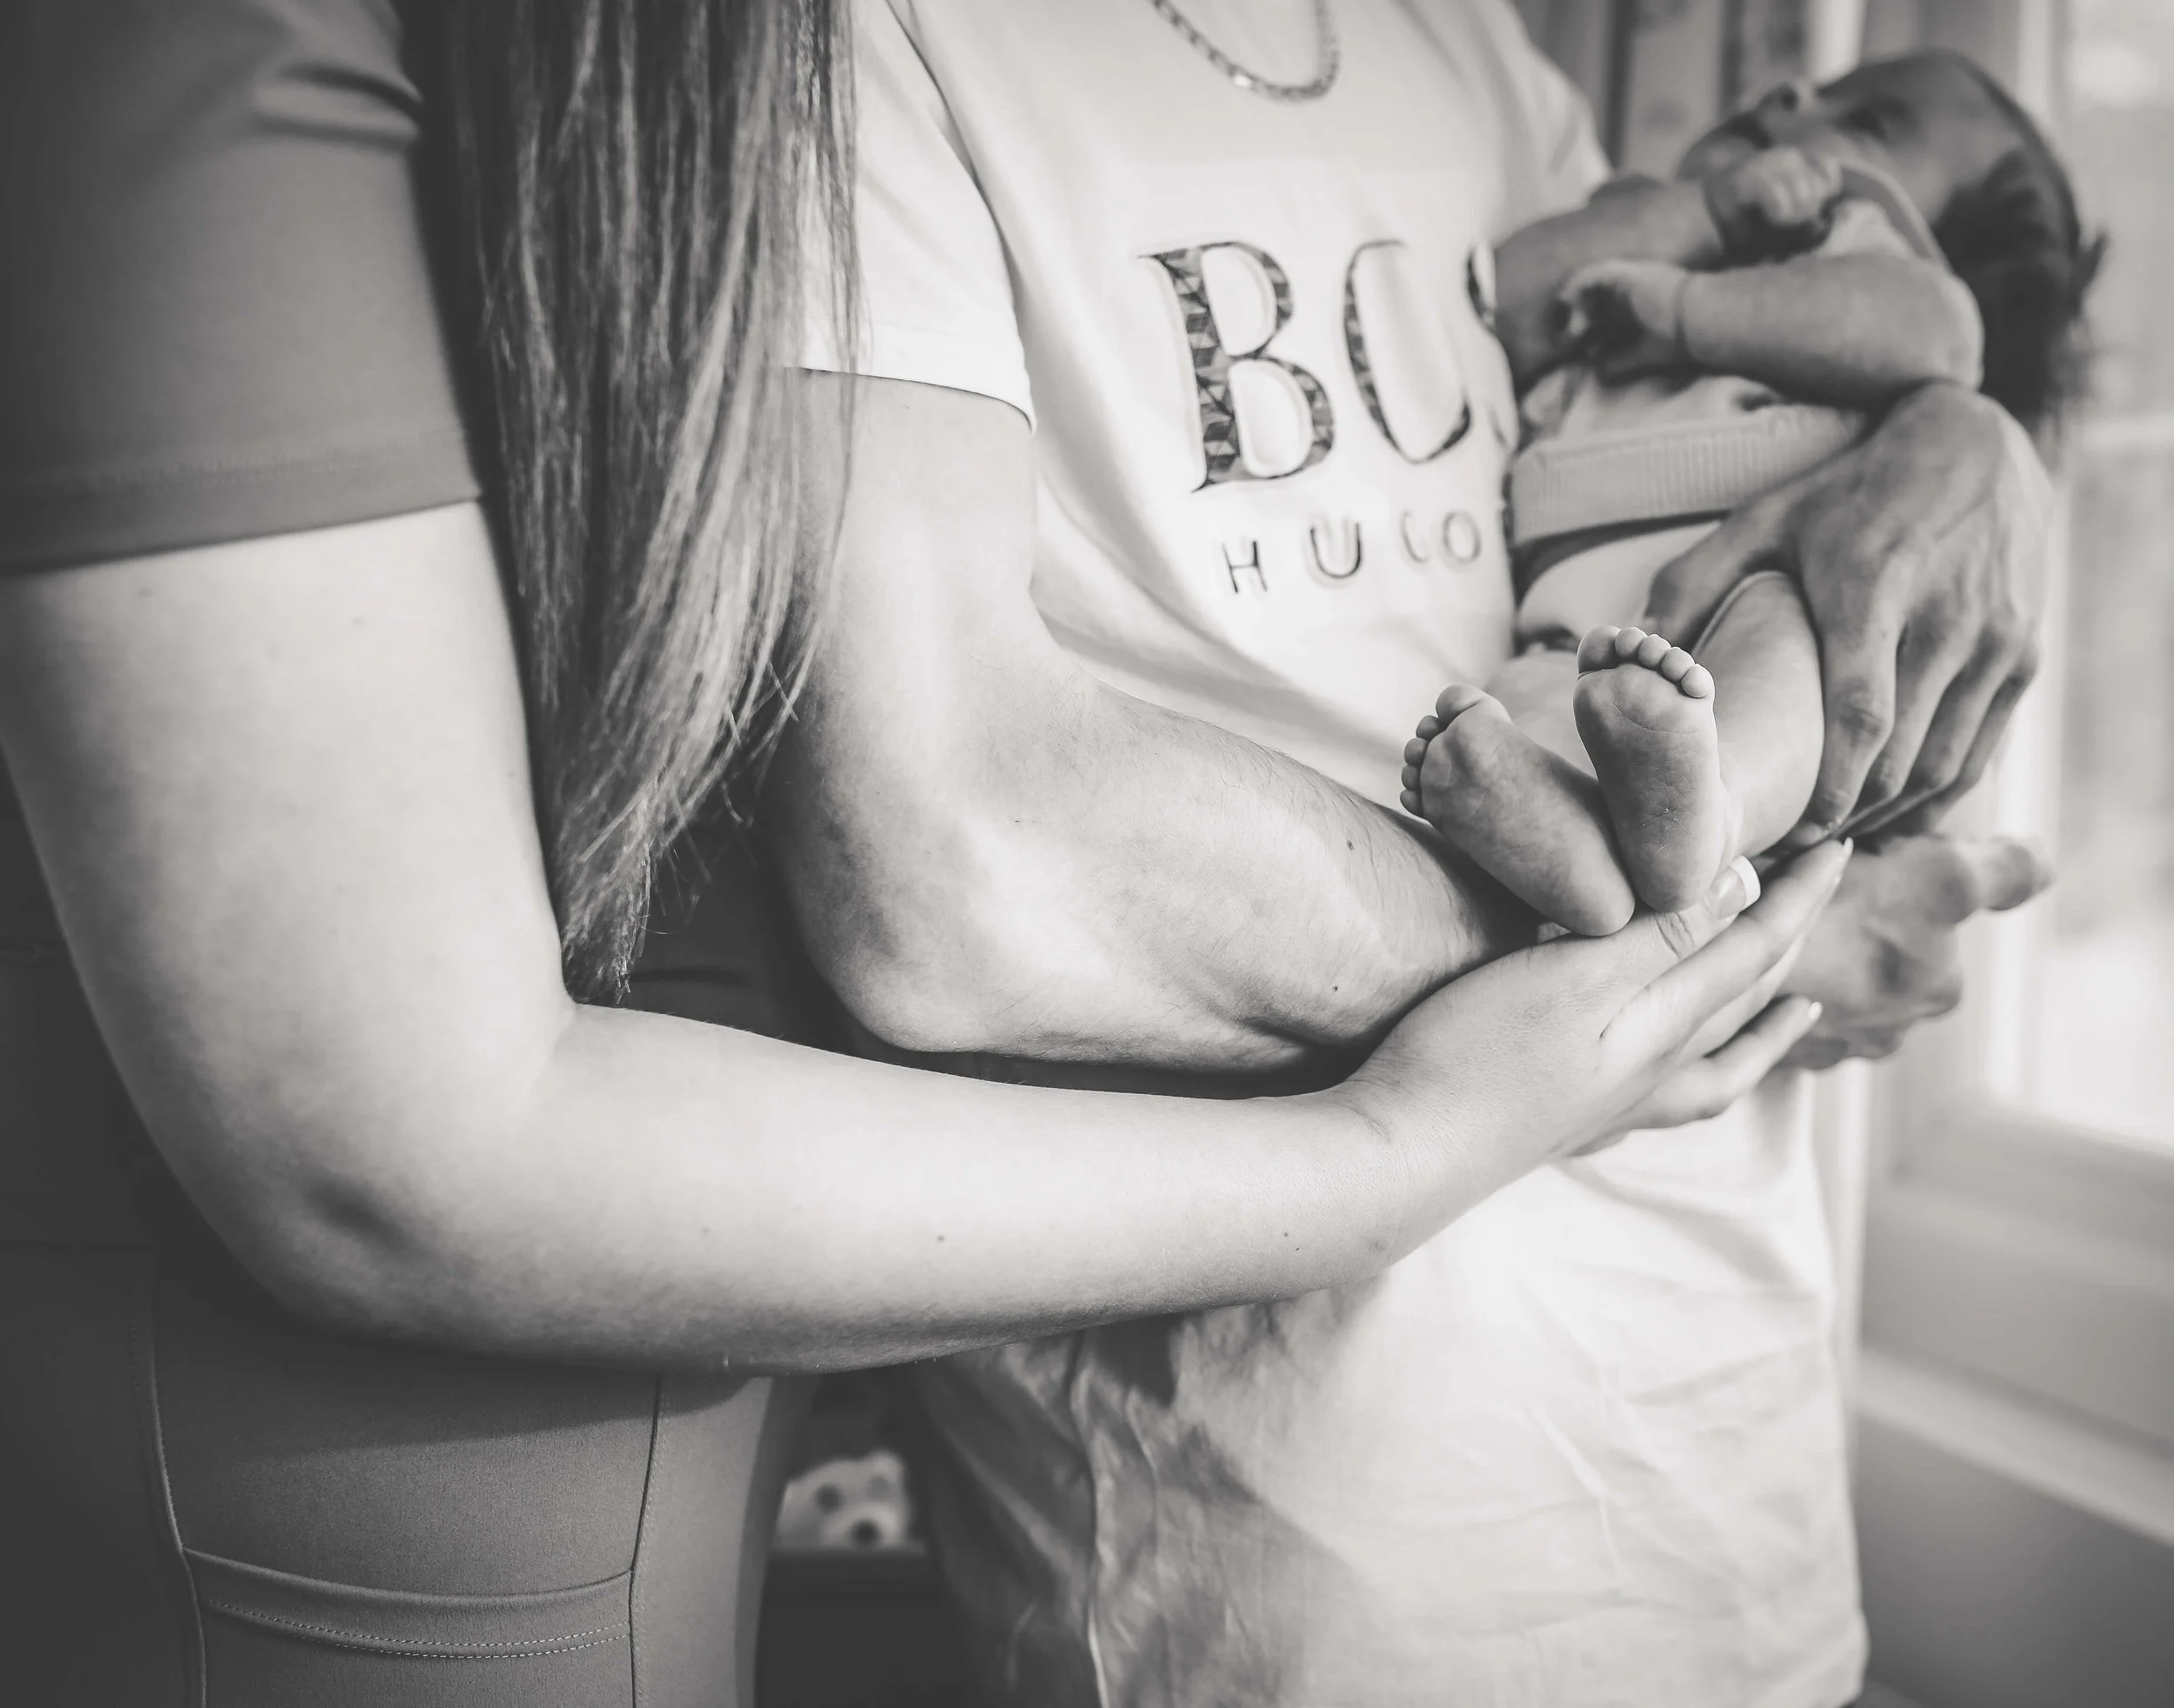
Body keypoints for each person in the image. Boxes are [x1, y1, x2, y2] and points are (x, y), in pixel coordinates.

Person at [0, 3, 1832, 1702]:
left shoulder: (645, 75)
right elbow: (415, 1131)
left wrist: (1947, 441)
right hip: (359, 1481)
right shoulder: (346, 56)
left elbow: (1661, 464)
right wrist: (1414, 1133)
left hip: (1672, 1378)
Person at [775, 3, 2054, 1704]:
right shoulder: (832, 45)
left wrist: (1967, 444)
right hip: (1271, 1552)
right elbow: (945, 861)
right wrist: (1731, 950)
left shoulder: (1460, 45)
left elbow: (1705, 414)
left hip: (1730, 1472)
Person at [1406, 50, 2100, 937]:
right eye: (1815, 88)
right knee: (1536, 696)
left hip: (1759, 580)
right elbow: (1498, 298)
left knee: (1780, 673)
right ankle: (1573, 865)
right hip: (1572, 617)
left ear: (1927, 243)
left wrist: (1684, 308)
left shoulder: (1868, 263)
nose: (1790, 92)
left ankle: (1712, 816)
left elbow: (1933, 330)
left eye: (1867, 123)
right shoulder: (1641, 222)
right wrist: (1703, 212)